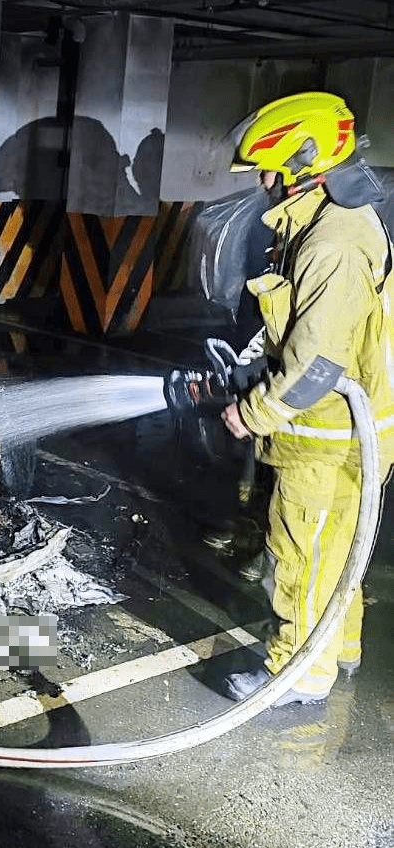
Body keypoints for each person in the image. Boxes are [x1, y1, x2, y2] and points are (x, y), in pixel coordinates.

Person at [220, 92, 394, 705]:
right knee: (339, 549)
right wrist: (248, 361)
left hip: (328, 434)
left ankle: (295, 675)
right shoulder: (325, 223)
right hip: (349, 431)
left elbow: (318, 366)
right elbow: (306, 325)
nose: (261, 183)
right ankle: (339, 650)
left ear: (303, 164)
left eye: (267, 170)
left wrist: (252, 412)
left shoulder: (333, 242)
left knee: (303, 554)